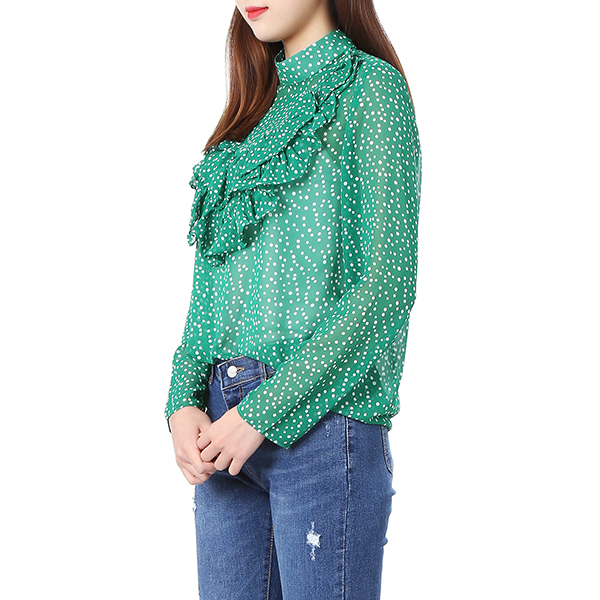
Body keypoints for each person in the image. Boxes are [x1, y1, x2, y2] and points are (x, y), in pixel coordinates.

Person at [165, 1, 421, 598]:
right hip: (221, 432)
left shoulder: (369, 88)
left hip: (323, 426)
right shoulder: (251, 111)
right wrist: (181, 401)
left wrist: (263, 412)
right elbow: (211, 289)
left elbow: (386, 290)